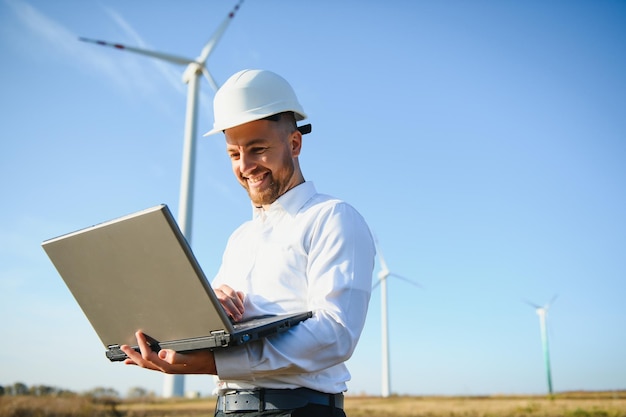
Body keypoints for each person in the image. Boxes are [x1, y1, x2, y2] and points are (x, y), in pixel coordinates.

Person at [121, 69, 375, 417]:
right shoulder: (239, 239)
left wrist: (214, 362)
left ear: (295, 144)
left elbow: (335, 334)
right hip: (227, 409)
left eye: (258, 149)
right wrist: (207, 316)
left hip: (298, 410)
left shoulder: (332, 218)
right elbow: (219, 334)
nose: (245, 166)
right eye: (233, 154)